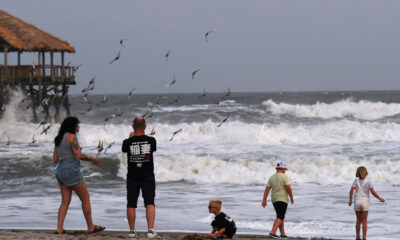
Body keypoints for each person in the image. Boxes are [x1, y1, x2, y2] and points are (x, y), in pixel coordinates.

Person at [53, 117, 105, 234]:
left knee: (65, 201)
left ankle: (59, 228)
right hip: (71, 170)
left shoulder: (58, 139)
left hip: (60, 171)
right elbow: (79, 155)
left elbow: (55, 159)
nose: (78, 128)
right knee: (85, 198)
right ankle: (91, 226)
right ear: (72, 126)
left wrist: (67, 154)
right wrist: (93, 159)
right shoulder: (71, 137)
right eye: (77, 126)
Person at [122, 117, 159, 239]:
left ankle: (132, 231)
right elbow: (152, 149)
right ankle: (150, 230)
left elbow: (124, 149)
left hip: (132, 176)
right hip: (147, 175)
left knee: (131, 203)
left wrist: (131, 137)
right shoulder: (151, 140)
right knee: (149, 202)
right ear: (145, 127)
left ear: (133, 126)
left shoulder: (127, 142)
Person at [348, 166, 385, 240]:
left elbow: (351, 191)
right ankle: (364, 237)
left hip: (357, 201)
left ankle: (358, 237)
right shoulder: (368, 182)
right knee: (364, 220)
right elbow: (373, 192)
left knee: (358, 220)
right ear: (366, 173)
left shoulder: (355, 181)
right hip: (365, 201)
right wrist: (380, 198)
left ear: (357, 173)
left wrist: (350, 200)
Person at [261, 161, 294, 239]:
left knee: (280, 216)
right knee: (280, 216)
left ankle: (282, 234)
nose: (285, 170)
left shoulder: (272, 177)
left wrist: (264, 200)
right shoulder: (284, 177)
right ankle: (272, 233)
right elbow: (288, 188)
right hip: (282, 199)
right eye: (285, 169)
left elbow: (267, 189)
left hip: (274, 199)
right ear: (282, 168)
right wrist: (291, 197)